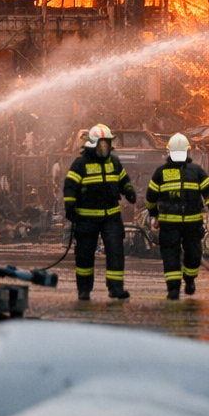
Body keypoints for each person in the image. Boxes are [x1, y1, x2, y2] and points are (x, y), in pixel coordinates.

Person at [62, 124, 136, 300]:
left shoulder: (114, 162)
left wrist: (129, 190)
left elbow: (123, 180)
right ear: (92, 145)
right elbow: (70, 187)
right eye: (101, 144)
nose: (104, 148)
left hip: (111, 216)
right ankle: (84, 289)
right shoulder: (80, 164)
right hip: (87, 217)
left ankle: (116, 288)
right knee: (85, 255)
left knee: (115, 251)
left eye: (106, 144)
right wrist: (70, 207)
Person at [147, 132, 209, 300]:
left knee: (192, 255)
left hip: (190, 224)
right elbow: (151, 197)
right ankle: (173, 288)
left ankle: (189, 280)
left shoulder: (195, 171)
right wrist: (154, 214)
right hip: (171, 224)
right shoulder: (162, 172)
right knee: (171, 255)